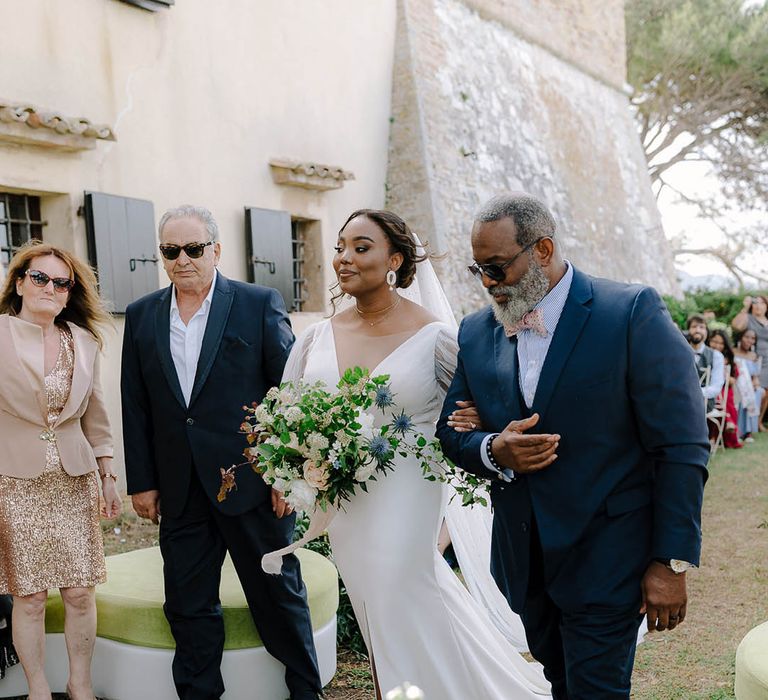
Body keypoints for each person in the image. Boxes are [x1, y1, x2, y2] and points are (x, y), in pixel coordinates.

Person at [435, 193, 709, 700]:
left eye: (497, 268)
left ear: (541, 249)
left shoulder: (629, 312)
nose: (488, 284)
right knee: (562, 684)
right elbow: (451, 433)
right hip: (525, 562)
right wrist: (495, 448)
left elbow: (681, 446)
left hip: (608, 556)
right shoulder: (476, 332)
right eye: (479, 270)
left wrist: (670, 562)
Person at [281, 209, 551, 699]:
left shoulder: (437, 340)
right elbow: (290, 415)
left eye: (361, 247)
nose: (344, 257)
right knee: (376, 605)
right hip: (347, 506)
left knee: (397, 591)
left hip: (407, 496)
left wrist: (481, 425)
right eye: (341, 246)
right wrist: (296, 463)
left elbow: (477, 417)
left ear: (395, 260)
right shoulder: (314, 338)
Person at [120, 206, 321, 700]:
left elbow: (288, 392)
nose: (182, 259)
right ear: (161, 255)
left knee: (277, 595)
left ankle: (305, 690)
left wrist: (286, 474)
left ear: (216, 250)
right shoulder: (143, 314)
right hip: (180, 487)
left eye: (193, 248)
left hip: (252, 482)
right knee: (187, 604)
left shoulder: (258, 303)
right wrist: (142, 481)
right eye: (171, 251)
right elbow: (135, 401)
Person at [0, 241, 121, 700]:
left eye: (61, 282)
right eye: (40, 278)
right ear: (19, 283)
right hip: (12, 481)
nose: (50, 287)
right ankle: (37, 690)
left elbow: (96, 414)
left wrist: (109, 475)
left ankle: (80, 685)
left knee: (79, 592)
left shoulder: (84, 341)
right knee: (28, 596)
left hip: (74, 479)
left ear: (70, 294)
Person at [732, 295, 768, 431]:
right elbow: (736, 326)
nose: (759, 306)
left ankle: (758, 421)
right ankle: (750, 422)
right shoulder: (749, 318)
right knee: (760, 389)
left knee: (767, 392)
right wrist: (745, 307)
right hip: (753, 359)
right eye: (755, 303)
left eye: (762, 303)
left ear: (766, 306)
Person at [706, 330, 742, 449]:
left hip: (725, 389)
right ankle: (728, 421)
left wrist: (723, 375)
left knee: (724, 396)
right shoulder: (705, 355)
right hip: (710, 389)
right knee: (718, 395)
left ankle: (728, 425)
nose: (717, 345)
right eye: (714, 341)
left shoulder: (728, 358)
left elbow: (733, 380)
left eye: (721, 343)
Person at [687, 314, 725, 412]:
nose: (698, 330)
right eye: (694, 326)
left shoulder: (716, 356)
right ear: (688, 330)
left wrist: (693, 392)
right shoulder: (680, 352)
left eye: (702, 327)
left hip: (704, 402)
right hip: (681, 400)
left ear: (707, 332)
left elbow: (716, 387)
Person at [733, 328, 764, 442]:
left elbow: (755, 376)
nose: (749, 340)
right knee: (741, 393)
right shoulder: (733, 352)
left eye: (753, 338)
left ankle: (748, 432)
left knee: (757, 392)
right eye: (747, 337)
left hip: (748, 386)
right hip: (736, 384)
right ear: (740, 337)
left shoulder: (753, 356)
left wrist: (755, 385)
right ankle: (738, 431)